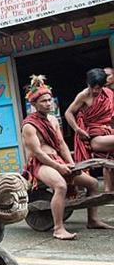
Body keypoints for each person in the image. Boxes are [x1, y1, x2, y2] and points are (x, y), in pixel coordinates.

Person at [21, 75, 108, 241]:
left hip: (57, 160)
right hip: (40, 164)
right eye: (43, 101)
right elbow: (38, 153)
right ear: (34, 104)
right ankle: (58, 228)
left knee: (93, 183)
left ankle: (93, 220)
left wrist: (71, 163)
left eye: (49, 100)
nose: (48, 103)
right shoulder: (29, 125)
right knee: (60, 185)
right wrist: (58, 167)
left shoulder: (53, 119)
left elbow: (61, 144)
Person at [65, 68, 114, 164]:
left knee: (109, 168)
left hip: (109, 132)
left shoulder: (108, 93)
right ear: (88, 84)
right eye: (92, 87)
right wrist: (77, 129)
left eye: (98, 88)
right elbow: (68, 113)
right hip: (94, 139)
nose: (95, 91)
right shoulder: (83, 95)